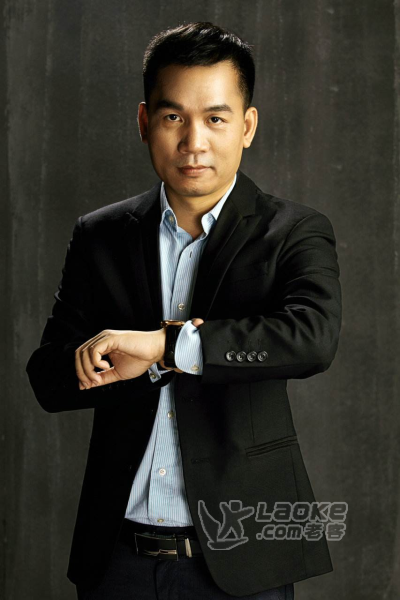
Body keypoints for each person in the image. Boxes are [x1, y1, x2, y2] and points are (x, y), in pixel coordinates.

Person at [26, 21, 342, 600]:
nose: (194, 141)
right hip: (115, 558)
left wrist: (166, 346)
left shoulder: (294, 231)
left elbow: (311, 338)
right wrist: (105, 365)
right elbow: (48, 378)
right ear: (145, 122)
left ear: (247, 126)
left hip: (243, 560)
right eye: (174, 117)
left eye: (216, 118)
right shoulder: (100, 235)